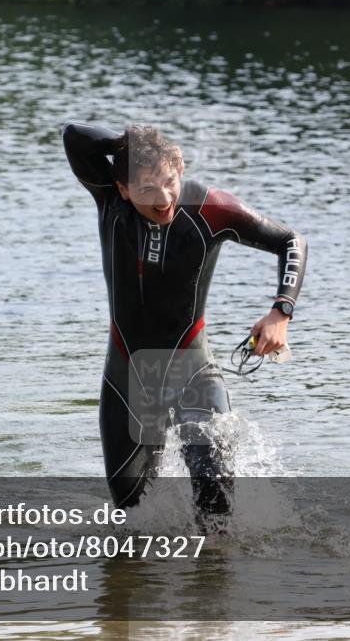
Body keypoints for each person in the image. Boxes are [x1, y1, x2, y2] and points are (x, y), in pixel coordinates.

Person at [61, 121, 307, 519]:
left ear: (178, 165)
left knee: (217, 518)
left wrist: (282, 311)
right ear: (122, 187)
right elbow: (74, 135)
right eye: (146, 189)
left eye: (169, 181)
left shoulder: (208, 208)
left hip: (194, 375)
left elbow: (291, 240)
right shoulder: (110, 199)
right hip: (128, 383)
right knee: (131, 526)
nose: (163, 199)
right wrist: (132, 145)